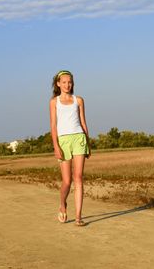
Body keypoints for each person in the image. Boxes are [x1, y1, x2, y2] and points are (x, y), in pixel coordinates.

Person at [49, 70, 91, 226]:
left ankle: (79, 217)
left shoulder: (78, 100)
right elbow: (53, 125)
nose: (67, 85)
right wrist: (56, 146)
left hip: (79, 138)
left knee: (78, 177)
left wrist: (88, 143)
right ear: (58, 84)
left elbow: (84, 123)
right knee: (67, 181)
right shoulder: (54, 102)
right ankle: (62, 204)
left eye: (70, 82)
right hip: (63, 141)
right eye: (64, 82)